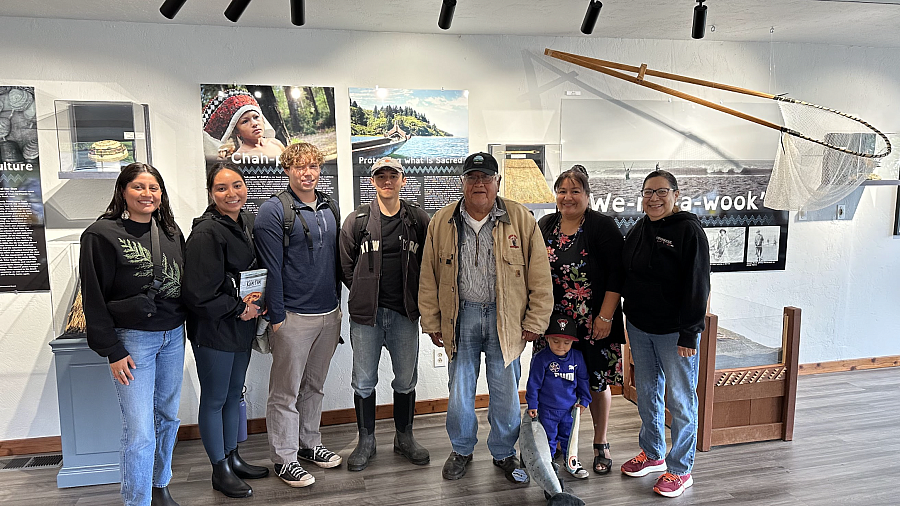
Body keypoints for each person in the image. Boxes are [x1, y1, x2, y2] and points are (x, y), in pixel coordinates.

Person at [418, 151, 553, 484]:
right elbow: (428, 276)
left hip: (504, 319)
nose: (479, 183)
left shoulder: (520, 219)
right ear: (462, 182)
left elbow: (539, 274)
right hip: (460, 315)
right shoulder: (442, 221)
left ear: (497, 182)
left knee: (505, 391)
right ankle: (461, 449)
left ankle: (504, 452)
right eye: (472, 177)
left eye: (486, 177)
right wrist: (431, 321)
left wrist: (535, 320)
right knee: (460, 390)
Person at [79, 163, 186, 506]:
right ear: (123, 191)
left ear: (161, 194)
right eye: (139, 187)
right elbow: (93, 298)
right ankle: (137, 500)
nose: (147, 194)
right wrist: (112, 349)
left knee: (168, 416)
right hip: (134, 340)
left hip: (173, 336)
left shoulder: (170, 232)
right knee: (139, 430)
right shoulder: (100, 235)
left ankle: (160, 484)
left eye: (153, 187)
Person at [253, 142, 343, 488]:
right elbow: (271, 268)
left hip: (328, 314)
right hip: (292, 316)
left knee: (314, 387)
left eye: (313, 166)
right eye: (300, 167)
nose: (307, 173)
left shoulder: (329, 206)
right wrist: (277, 317)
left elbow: (336, 261)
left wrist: (338, 307)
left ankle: (308, 443)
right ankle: (284, 458)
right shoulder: (273, 211)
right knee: (285, 393)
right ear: (287, 170)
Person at [620, 169, 711, 498]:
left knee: (681, 400)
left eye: (661, 191)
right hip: (640, 328)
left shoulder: (688, 231)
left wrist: (690, 334)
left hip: (675, 334)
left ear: (675, 194)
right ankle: (653, 452)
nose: (654, 198)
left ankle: (681, 469)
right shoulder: (640, 227)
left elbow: (698, 285)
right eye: (648, 192)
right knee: (647, 393)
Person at [338, 157, 432, 471]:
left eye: (393, 176)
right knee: (363, 381)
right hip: (368, 317)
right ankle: (366, 440)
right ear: (372, 181)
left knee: (405, 380)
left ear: (403, 180)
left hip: (405, 314)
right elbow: (346, 267)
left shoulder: (417, 219)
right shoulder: (358, 220)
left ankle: (404, 437)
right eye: (381, 176)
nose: (387, 181)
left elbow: (430, 261)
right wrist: (364, 292)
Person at [182, 163, 269, 499]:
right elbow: (198, 293)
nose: (231, 193)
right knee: (215, 398)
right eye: (221, 188)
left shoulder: (245, 222)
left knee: (234, 395)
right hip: (214, 329)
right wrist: (239, 308)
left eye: (237, 185)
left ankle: (233, 457)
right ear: (210, 193)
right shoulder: (206, 233)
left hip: (241, 325)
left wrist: (258, 303)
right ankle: (219, 470)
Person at [536, 164, 625, 475]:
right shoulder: (546, 225)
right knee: (555, 380)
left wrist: (605, 316)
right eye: (562, 191)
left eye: (575, 191)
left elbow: (617, 275)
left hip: (593, 321)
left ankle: (600, 442)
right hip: (554, 323)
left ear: (587, 195)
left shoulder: (602, 226)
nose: (568, 197)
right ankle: (561, 441)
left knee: (596, 381)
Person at [525, 312, 591, 479]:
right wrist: (532, 404)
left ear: (572, 342)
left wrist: (585, 400)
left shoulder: (577, 357)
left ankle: (571, 464)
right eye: (556, 341)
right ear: (547, 338)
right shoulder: (541, 359)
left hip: (570, 409)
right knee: (548, 439)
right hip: (547, 410)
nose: (561, 346)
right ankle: (549, 467)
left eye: (566, 343)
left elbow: (583, 380)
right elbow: (533, 384)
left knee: (570, 438)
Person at [202, 89, 285, 163]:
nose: (254, 124)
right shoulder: (240, 156)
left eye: (256, 117)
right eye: (245, 121)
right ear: (237, 131)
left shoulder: (276, 143)